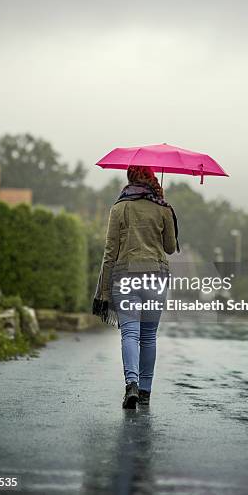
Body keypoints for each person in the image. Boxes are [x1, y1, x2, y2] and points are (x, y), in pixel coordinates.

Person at [93, 165, 179, 409]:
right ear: (152, 178)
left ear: (129, 177)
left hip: (125, 276)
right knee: (149, 336)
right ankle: (145, 391)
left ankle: (130, 383)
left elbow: (110, 251)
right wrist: (163, 212)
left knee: (130, 333)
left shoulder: (119, 207)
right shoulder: (163, 208)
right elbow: (170, 247)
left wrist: (103, 291)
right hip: (156, 277)